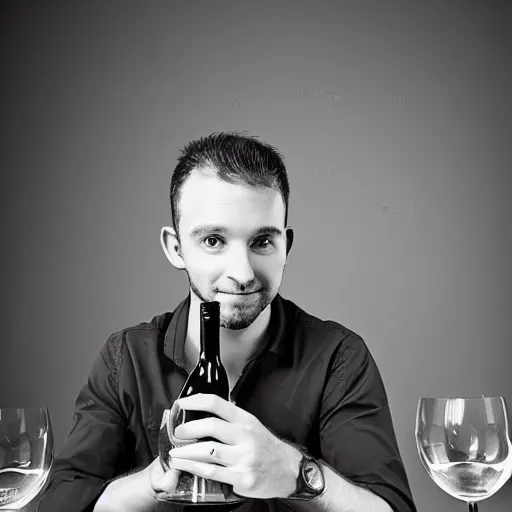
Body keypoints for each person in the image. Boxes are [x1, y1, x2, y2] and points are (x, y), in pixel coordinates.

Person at [38, 132, 417, 512]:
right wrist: (154, 482)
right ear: (176, 248)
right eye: (214, 241)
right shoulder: (126, 358)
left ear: (285, 246)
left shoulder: (338, 357)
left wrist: (294, 473)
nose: (242, 273)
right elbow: (58, 504)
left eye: (262, 242)